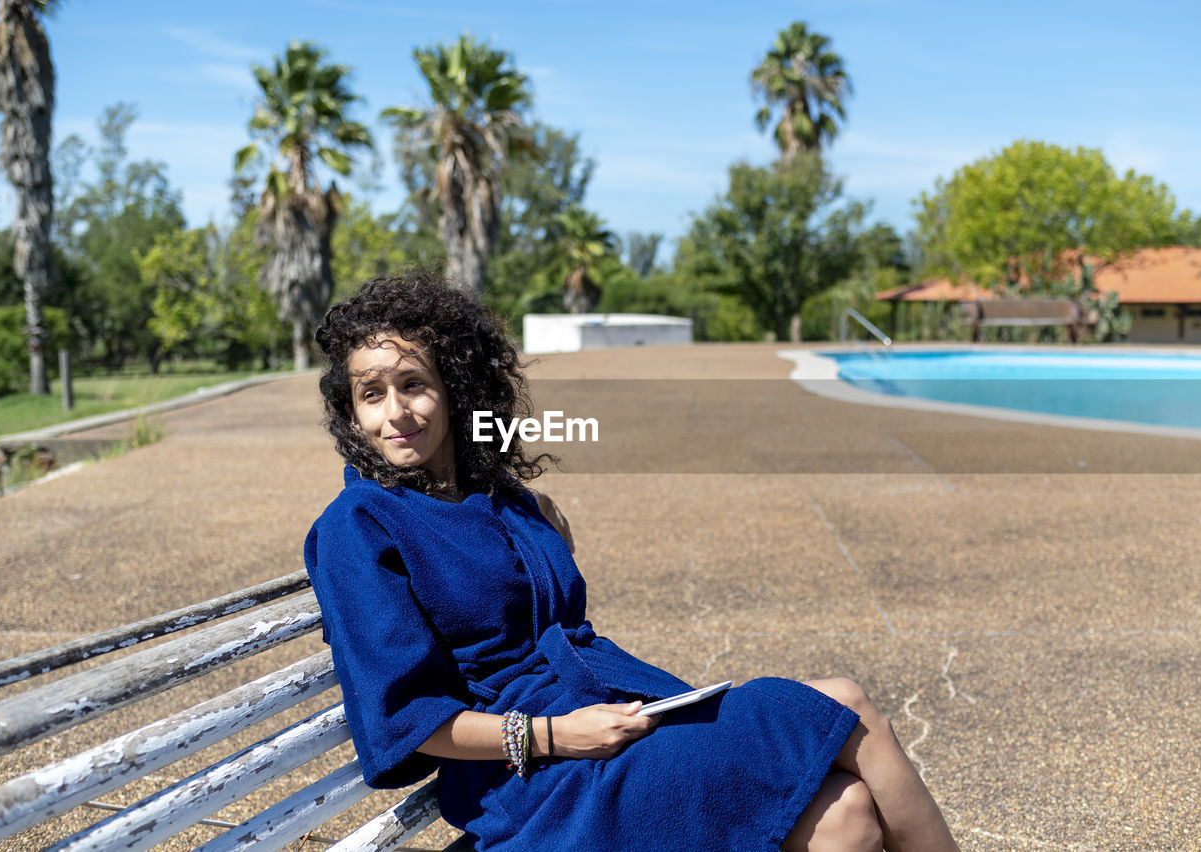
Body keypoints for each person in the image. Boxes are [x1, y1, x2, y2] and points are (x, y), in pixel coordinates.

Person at [304, 270, 960, 852]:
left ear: (453, 388)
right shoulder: (358, 526)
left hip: (619, 715)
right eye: (372, 394)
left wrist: (535, 527)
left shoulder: (496, 497)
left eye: (413, 385)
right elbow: (404, 721)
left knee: (847, 817)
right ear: (352, 413)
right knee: (846, 704)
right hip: (540, 778)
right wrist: (555, 736)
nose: (396, 413)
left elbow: (528, 600)